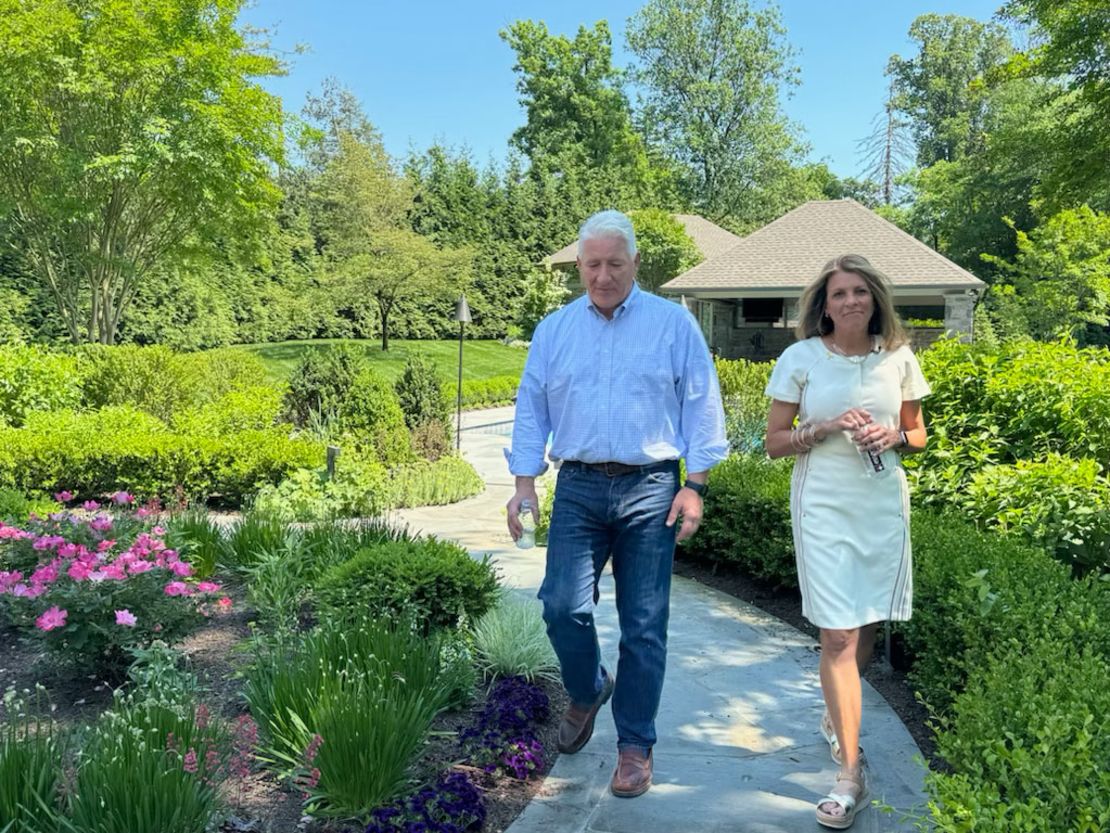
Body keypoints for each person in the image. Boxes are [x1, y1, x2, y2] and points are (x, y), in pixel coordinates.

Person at [506, 209, 728, 798]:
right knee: (561, 606)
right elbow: (532, 409)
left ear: (635, 264)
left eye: (615, 263)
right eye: (593, 264)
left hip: (652, 488)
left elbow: (702, 403)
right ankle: (587, 688)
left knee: (644, 625)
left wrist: (695, 485)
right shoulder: (554, 331)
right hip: (577, 486)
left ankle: (635, 745)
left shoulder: (671, 326)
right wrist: (525, 482)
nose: (603, 275)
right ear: (580, 266)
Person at [763, 254, 930, 830]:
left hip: (881, 506)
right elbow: (775, 443)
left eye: (860, 291)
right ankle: (850, 772)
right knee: (836, 630)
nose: (851, 301)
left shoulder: (899, 358)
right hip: (824, 506)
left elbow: (919, 434)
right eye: (839, 294)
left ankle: (841, 718)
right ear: (824, 304)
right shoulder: (800, 358)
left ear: (875, 298)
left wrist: (895, 435)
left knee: (864, 622)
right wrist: (826, 427)